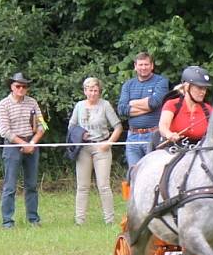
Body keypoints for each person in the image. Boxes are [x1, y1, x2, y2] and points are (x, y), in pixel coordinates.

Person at [68, 77, 123, 225]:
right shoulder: (79, 106)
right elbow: (71, 126)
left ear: (99, 91)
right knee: (82, 186)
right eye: (90, 90)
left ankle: (109, 220)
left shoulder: (105, 105)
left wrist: (109, 143)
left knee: (104, 185)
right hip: (84, 148)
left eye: (95, 90)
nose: (93, 93)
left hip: (101, 147)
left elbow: (118, 127)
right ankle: (79, 221)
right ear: (85, 91)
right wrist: (80, 134)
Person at [0, 71, 46, 229]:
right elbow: (5, 131)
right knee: (10, 186)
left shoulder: (32, 103)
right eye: (18, 86)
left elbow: (42, 126)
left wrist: (32, 142)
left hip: (31, 143)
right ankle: (7, 221)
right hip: (12, 146)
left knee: (31, 185)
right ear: (12, 86)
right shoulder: (4, 104)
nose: (21, 89)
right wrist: (22, 144)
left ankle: (33, 219)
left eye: (24, 86)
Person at [116, 52, 169, 172]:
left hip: (154, 135)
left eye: (146, 64)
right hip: (133, 136)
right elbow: (122, 110)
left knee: (154, 172)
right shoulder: (128, 85)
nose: (143, 67)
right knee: (134, 174)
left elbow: (154, 103)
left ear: (152, 66)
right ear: (135, 66)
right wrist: (147, 105)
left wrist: (132, 102)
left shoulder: (161, 82)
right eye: (140, 65)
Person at [158, 65, 213, 145]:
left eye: (205, 88)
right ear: (187, 87)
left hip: (199, 150)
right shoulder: (172, 104)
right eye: (199, 88)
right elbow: (163, 126)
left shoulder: (208, 109)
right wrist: (169, 134)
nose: (203, 92)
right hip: (175, 148)